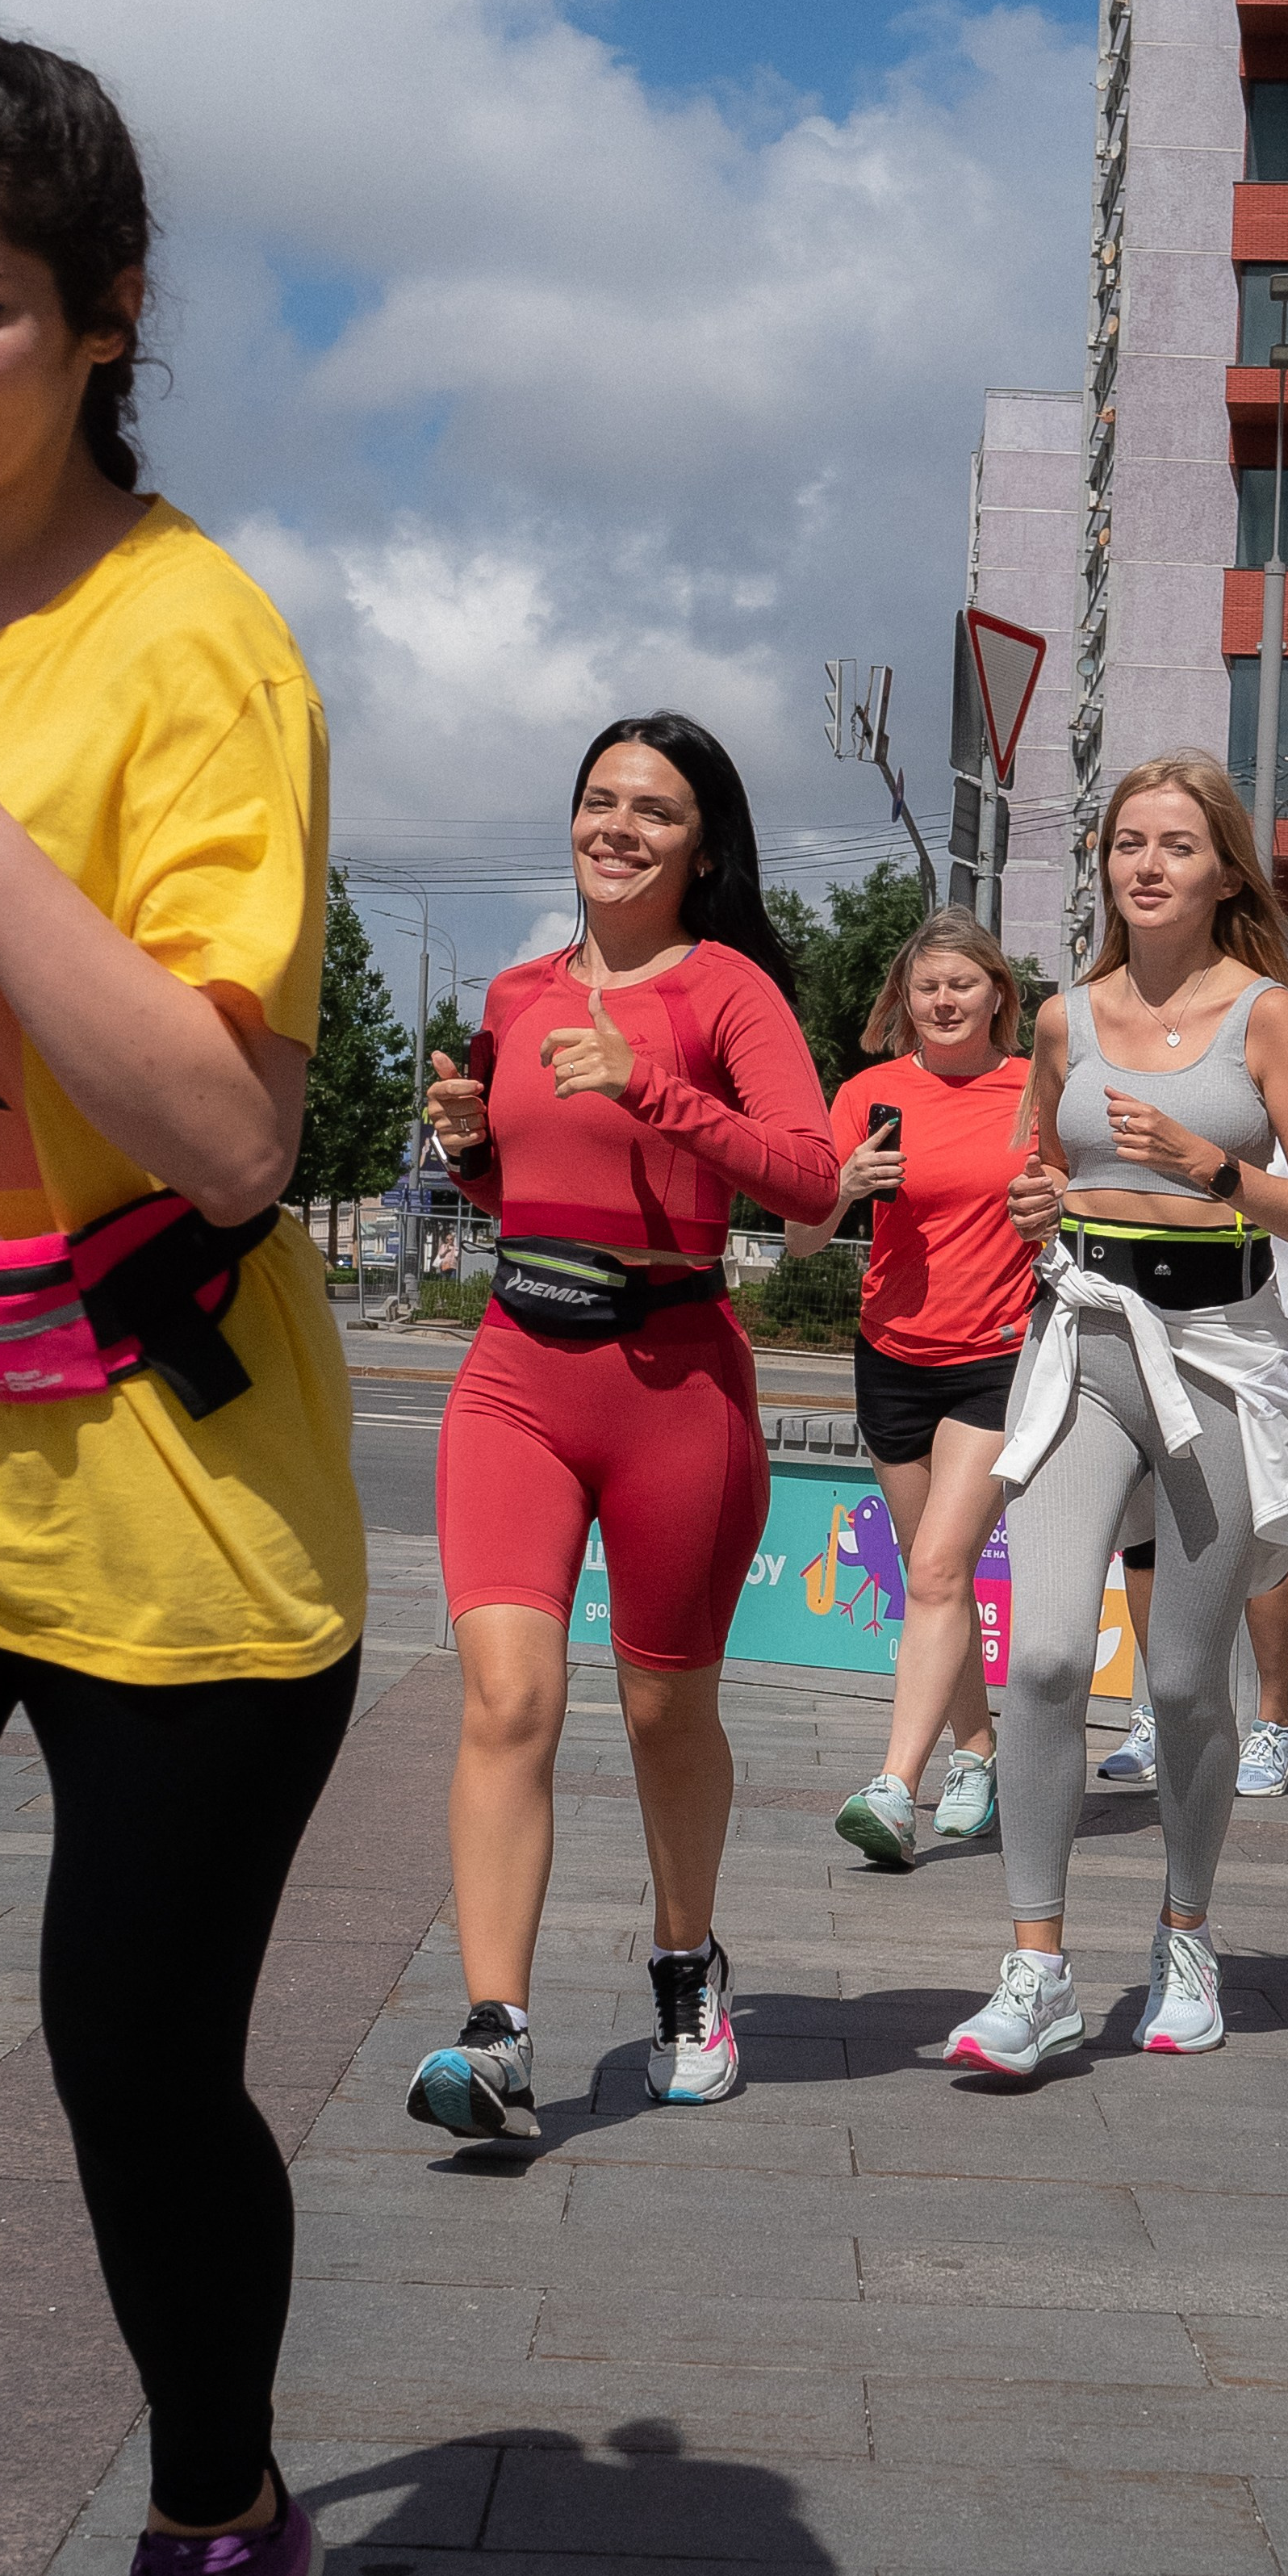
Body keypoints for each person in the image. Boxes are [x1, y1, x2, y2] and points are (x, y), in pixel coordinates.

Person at [0, 35, 366, 2576]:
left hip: (174, 1494)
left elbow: (229, 1126)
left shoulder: (189, 638)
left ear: (103, 320)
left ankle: (220, 2508)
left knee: (125, 2049)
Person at [411, 714, 838, 2130]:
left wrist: (650, 1086)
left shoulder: (730, 993)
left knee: (663, 1711)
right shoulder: (521, 988)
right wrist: (469, 1151)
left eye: (653, 810)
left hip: (676, 1385)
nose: (617, 827)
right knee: (507, 1699)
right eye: (599, 801)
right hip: (515, 1370)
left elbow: (810, 1184)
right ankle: (496, 2035)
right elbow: (524, 1191)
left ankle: (682, 1964)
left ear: (701, 843)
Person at [943, 753, 1288, 2080]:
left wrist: (1220, 1169)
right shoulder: (1065, 1019)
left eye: (1177, 845)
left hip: (1222, 1353)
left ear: (1223, 871)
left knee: (1182, 1676)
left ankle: (1186, 1935)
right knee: (1050, 1658)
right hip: (1085, 1341)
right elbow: (1042, 1167)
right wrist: (1031, 1205)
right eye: (1129, 842)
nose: (1147, 865)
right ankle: (1037, 1969)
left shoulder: (1268, 1019)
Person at [782, 908, 1035, 1868]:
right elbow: (804, 1238)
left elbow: (1075, 1210)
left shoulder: (1031, 1092)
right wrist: (841, 1184)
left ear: (997, 995)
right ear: (904, 997)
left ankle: (896, 1785)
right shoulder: (869, 1092)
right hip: (890, 1352)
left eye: (962, 983)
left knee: (933, 1571)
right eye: (927, 984)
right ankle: (978, 1750)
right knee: (938, 1575)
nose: (943, 999)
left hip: (997, 1355)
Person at [1106, 1030, 1288, 1799]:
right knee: (1144, 1531)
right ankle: (1155, 1710)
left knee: (1267, 1524)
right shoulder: (1188, 1068)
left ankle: (1275, 1718)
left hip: (1277, 1328)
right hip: (1163, 1315)